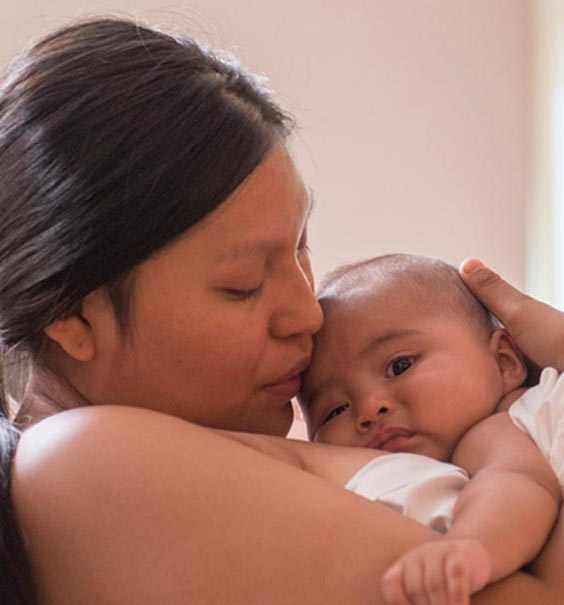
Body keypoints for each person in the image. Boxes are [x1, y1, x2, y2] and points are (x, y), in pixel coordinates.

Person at [1, 16, 564, 605]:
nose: (308, 313)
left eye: (302, 249)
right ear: (74, 315)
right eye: (243, 286)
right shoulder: (83, 462)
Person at [296, 253, 562, 603]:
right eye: (335, 410)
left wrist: (470, 543)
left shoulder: (497, 426)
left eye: (399, 365)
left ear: (505, 360)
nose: (368, 409)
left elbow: (519, 483)